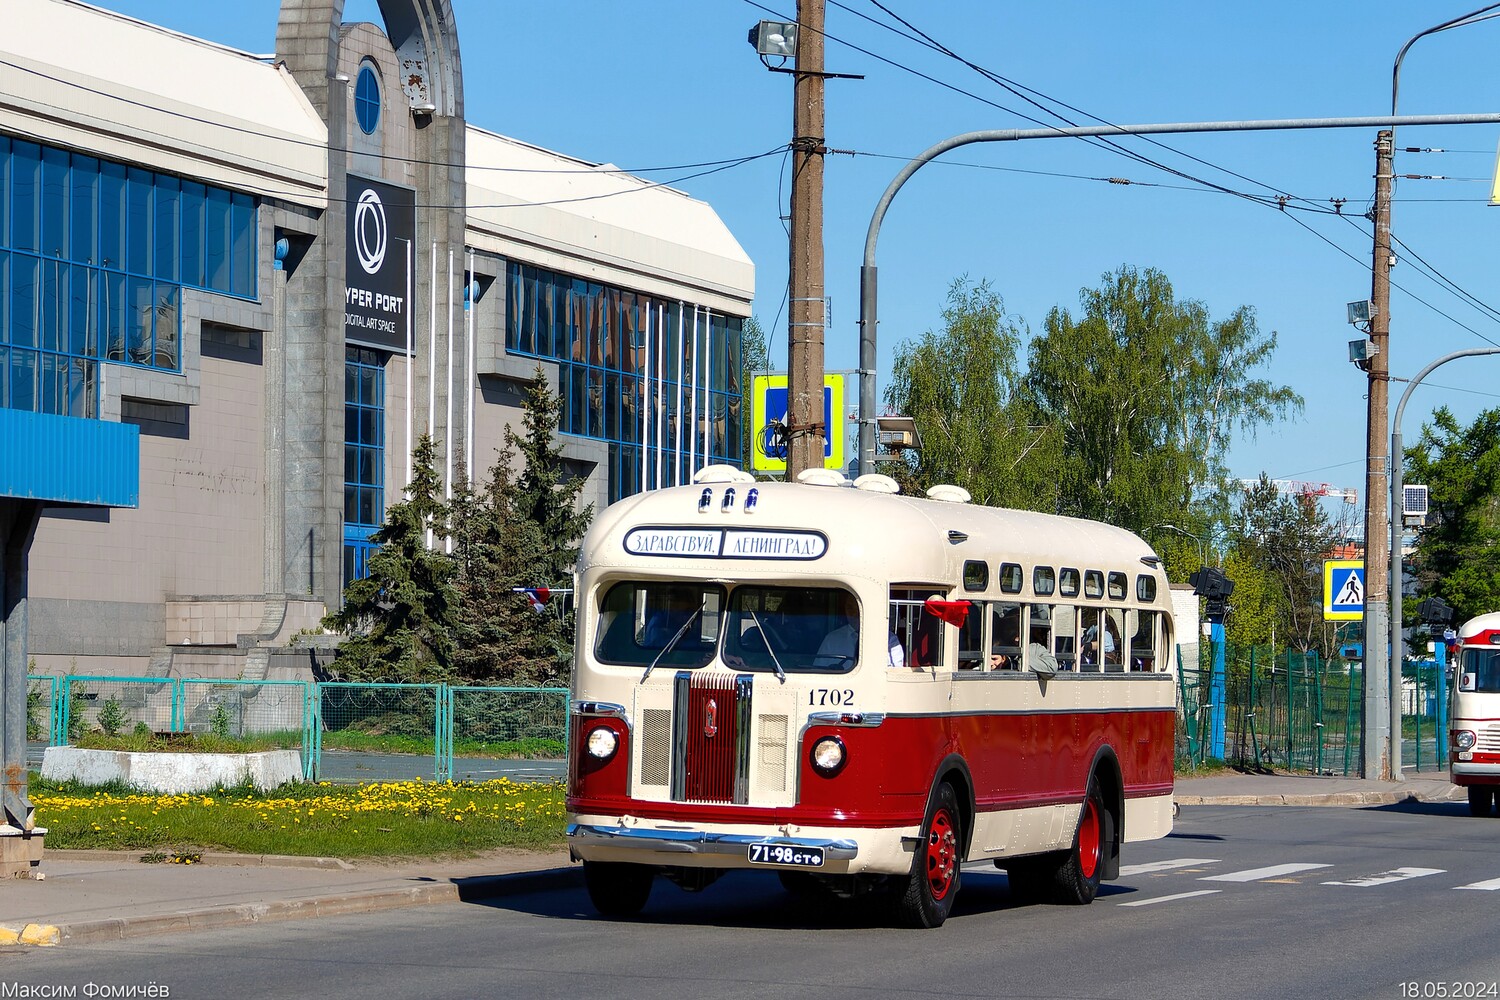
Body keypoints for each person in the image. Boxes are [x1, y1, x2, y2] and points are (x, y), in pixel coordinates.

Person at [816, 592, 903, 667]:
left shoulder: (888, 639)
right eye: (849, 608)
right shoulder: (832, 639)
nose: (853, 613)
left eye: (857, 607)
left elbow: (896, 670)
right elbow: (818, 669)